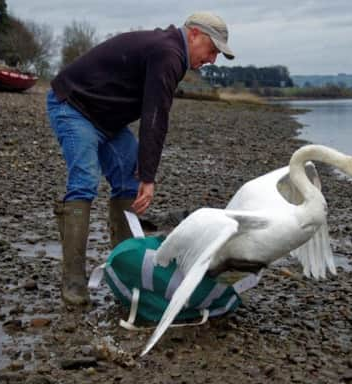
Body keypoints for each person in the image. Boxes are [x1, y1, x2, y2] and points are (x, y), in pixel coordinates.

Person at [46, 12, 235, 306]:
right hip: (73, 105)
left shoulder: (172, 53)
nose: (212, 59)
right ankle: (73, 281)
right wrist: (148, 177)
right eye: (212, 50)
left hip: (106, 118)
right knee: (84, 181)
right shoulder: (169, 53)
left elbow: (153, 114)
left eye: (217, 55)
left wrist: (142, 176)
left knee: (126, 180)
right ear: (194, 34)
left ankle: (125, 268)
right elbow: (155, 117)